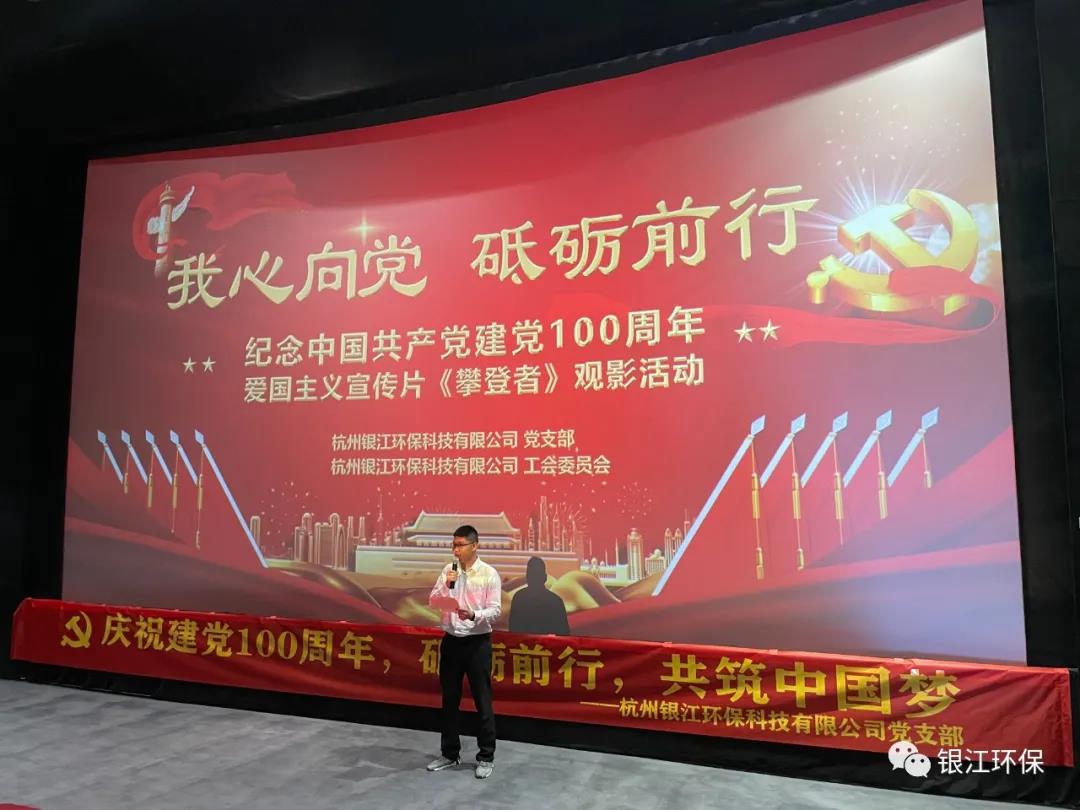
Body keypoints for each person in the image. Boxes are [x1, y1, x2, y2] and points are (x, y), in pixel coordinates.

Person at [425, 524, 502, 779]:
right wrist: (447, 587)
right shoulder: (449, 571)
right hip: (451, 641)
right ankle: (449, 753)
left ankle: (486, 756)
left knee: (482, 700)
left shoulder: (489, 574)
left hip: (477, 643)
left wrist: (473, 614)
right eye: (453, 545)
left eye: (460, 545)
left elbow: (495, 610)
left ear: (474, 545)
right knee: (449, 699)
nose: (455, 550)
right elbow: (433, 600)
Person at [509, 556, 570, 635]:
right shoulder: (556, 601)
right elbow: (564, 634)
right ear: (545, 578)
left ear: (527, 578)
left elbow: (513, 631)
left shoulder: (518, 598)